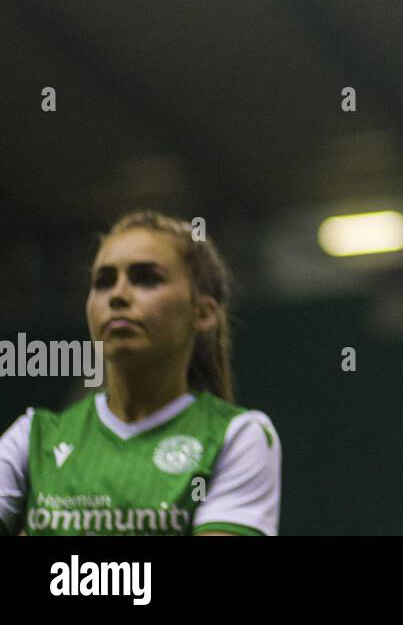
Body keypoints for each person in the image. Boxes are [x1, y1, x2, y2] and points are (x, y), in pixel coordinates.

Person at [0, 211, 280, 536]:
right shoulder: (31, 438)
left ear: (202, 314)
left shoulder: (239, 437)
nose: (118, 295)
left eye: (146, 278)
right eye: (103, 282)